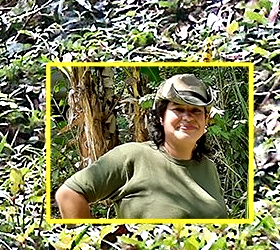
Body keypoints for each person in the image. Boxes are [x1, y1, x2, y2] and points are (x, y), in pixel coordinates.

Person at [55, 73, 229, 219]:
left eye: (196, 111)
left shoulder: (208, 167)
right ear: (161, 117)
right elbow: (68, 194)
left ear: (205, 120)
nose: (188, 117)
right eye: (178, 109)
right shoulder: (132, 156)